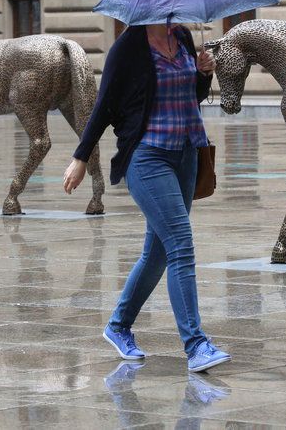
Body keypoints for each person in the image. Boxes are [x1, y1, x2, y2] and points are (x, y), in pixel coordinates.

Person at [63, 21, 231, 373]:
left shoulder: (181, 37)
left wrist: (202, 75)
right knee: (181, 244)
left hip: (186, 153)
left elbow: (192, 96)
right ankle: (196, 344)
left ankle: (118, 325)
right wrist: (80, 158)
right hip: (146, 156)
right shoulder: (128, 49)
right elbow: (105, 105)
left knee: (157, 253)